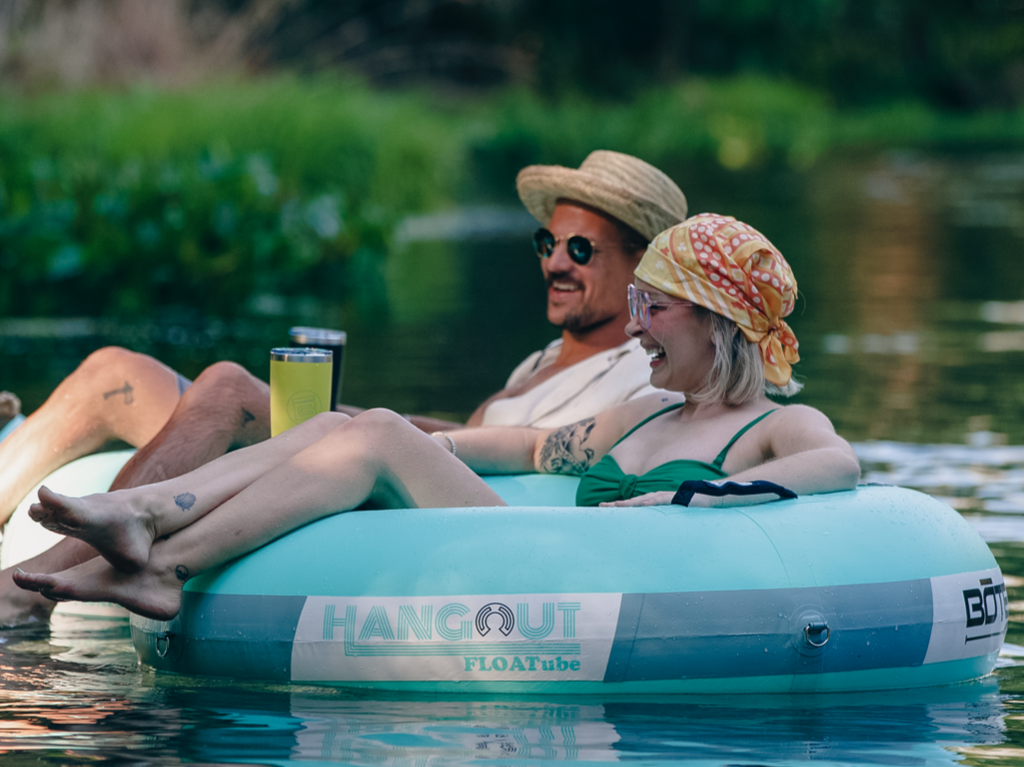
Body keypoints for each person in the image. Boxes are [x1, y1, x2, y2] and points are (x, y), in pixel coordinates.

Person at [12, 215, 860, 620]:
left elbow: (838, 467)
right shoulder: (640, 417)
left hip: (575, 575)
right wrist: (370, 437)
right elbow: (525, 447)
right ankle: (154, 530)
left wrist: (682, 499)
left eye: (655, 307)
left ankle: (156, 538)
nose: (637, 326)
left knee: (378, 430)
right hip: (539, 555)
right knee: (362, 428)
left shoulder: (769, 427)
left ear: (719, 320)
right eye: (635, 304)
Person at [0, 150, 686, 625]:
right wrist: (359, 416)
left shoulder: (637, 370)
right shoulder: (545, 358)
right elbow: (467, 431)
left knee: (227, 386)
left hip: (430, 488)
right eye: (547, 244)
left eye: (580, 250)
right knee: (115, 372)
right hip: (402, 451)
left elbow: (525, 454)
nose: (556, 263)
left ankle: (24, 594)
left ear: (642, 267)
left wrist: (368, 425)